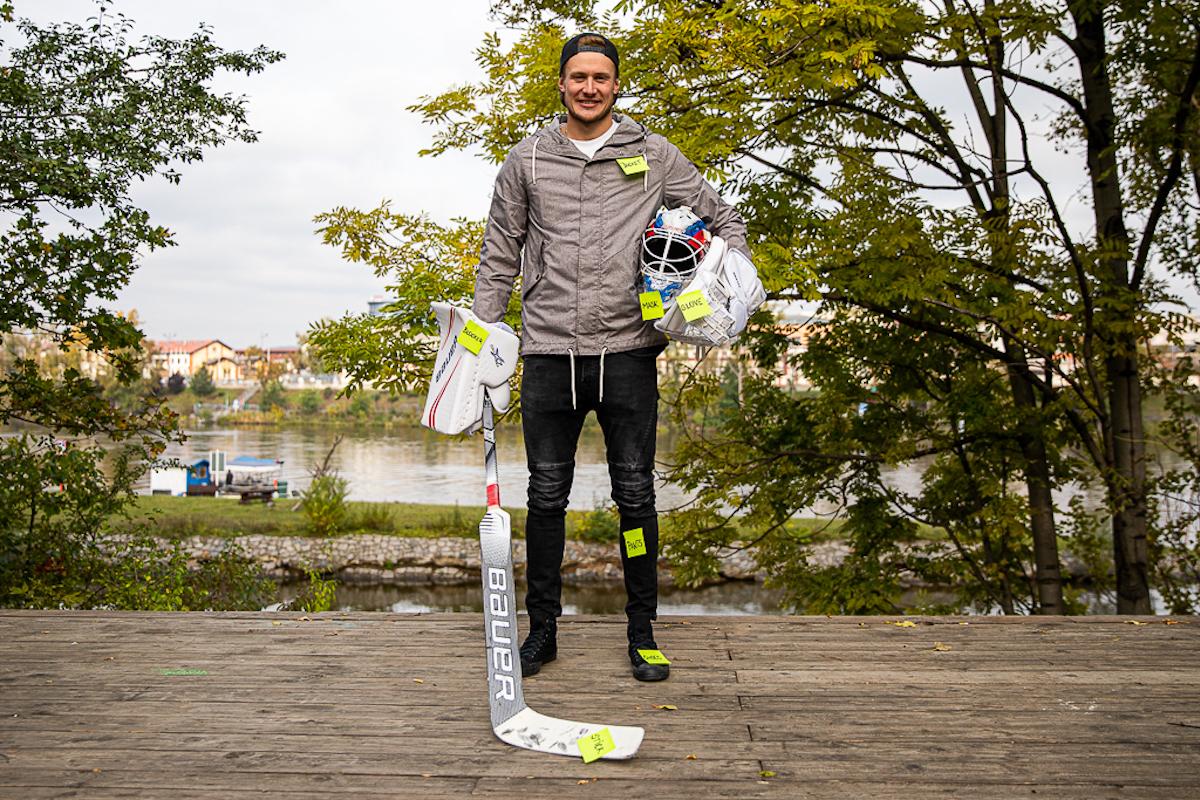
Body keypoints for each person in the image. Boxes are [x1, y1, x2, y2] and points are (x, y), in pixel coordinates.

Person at [471, 32, 751, 682]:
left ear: (616, 84)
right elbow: (499, 253)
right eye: (578, 77)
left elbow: (722, 217)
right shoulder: (529, 160)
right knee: (546, 497)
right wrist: (484, 341)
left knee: (635, 496)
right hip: (548, 354)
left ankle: (643, 632)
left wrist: (728, 276)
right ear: (562, 85)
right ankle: (542, 630)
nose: (590, 87)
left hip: (629, 352)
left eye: (601, 77)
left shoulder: (654, 156)